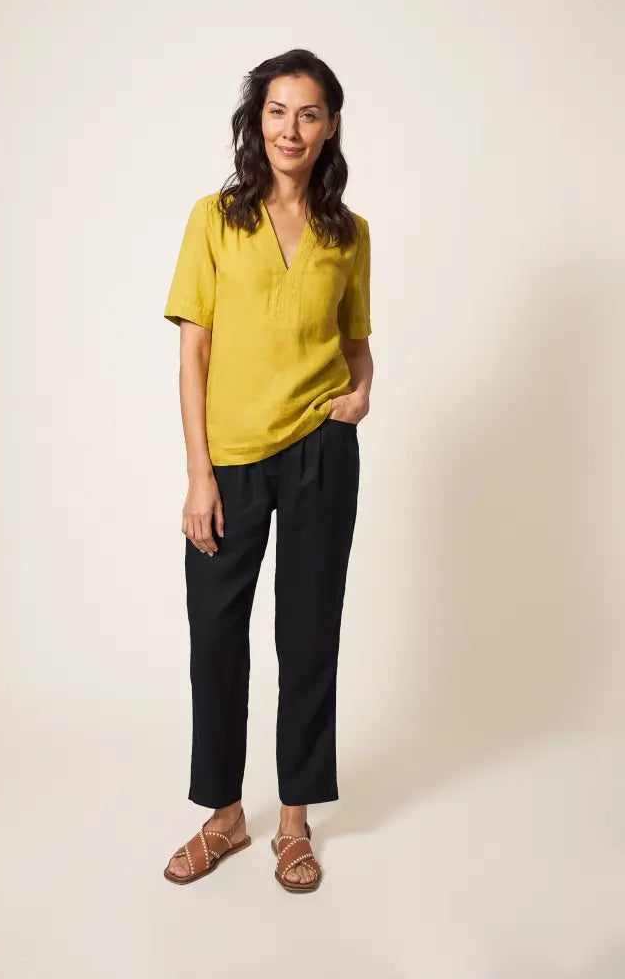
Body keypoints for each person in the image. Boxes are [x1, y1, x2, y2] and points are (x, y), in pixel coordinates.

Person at [161, 48, 373, 892]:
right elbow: (193, 353)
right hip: (232, 459)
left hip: (322, 451)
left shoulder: (349, 233)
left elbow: (357, 346)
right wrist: (199, 474)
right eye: (278, 110)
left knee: (309, 636)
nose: (292, 128)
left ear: (329, 127)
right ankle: (222, 816)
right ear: (258, 120)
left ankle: (293, 820)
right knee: (216, 637)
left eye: (309, 113)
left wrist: (360, 393)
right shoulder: (214, 219)